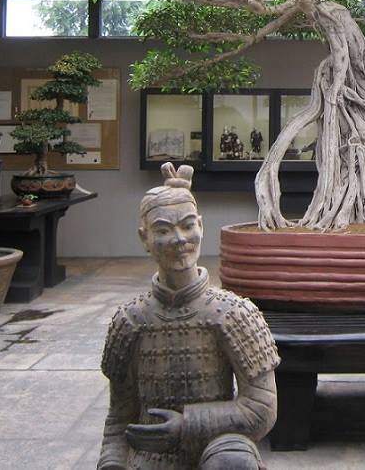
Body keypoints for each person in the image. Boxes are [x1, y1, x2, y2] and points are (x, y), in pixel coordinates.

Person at [99, 163, 279, 469]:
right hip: (149, 458)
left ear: (201, 226)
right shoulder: (129, 321)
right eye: (163, 230)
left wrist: (188, 426)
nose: (180, 239)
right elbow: (119, 419)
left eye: (187, 225)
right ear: (144, 238)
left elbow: (261, 408)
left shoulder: (234, 313)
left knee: (233, 460)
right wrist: (111, 464)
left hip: (213, 448)